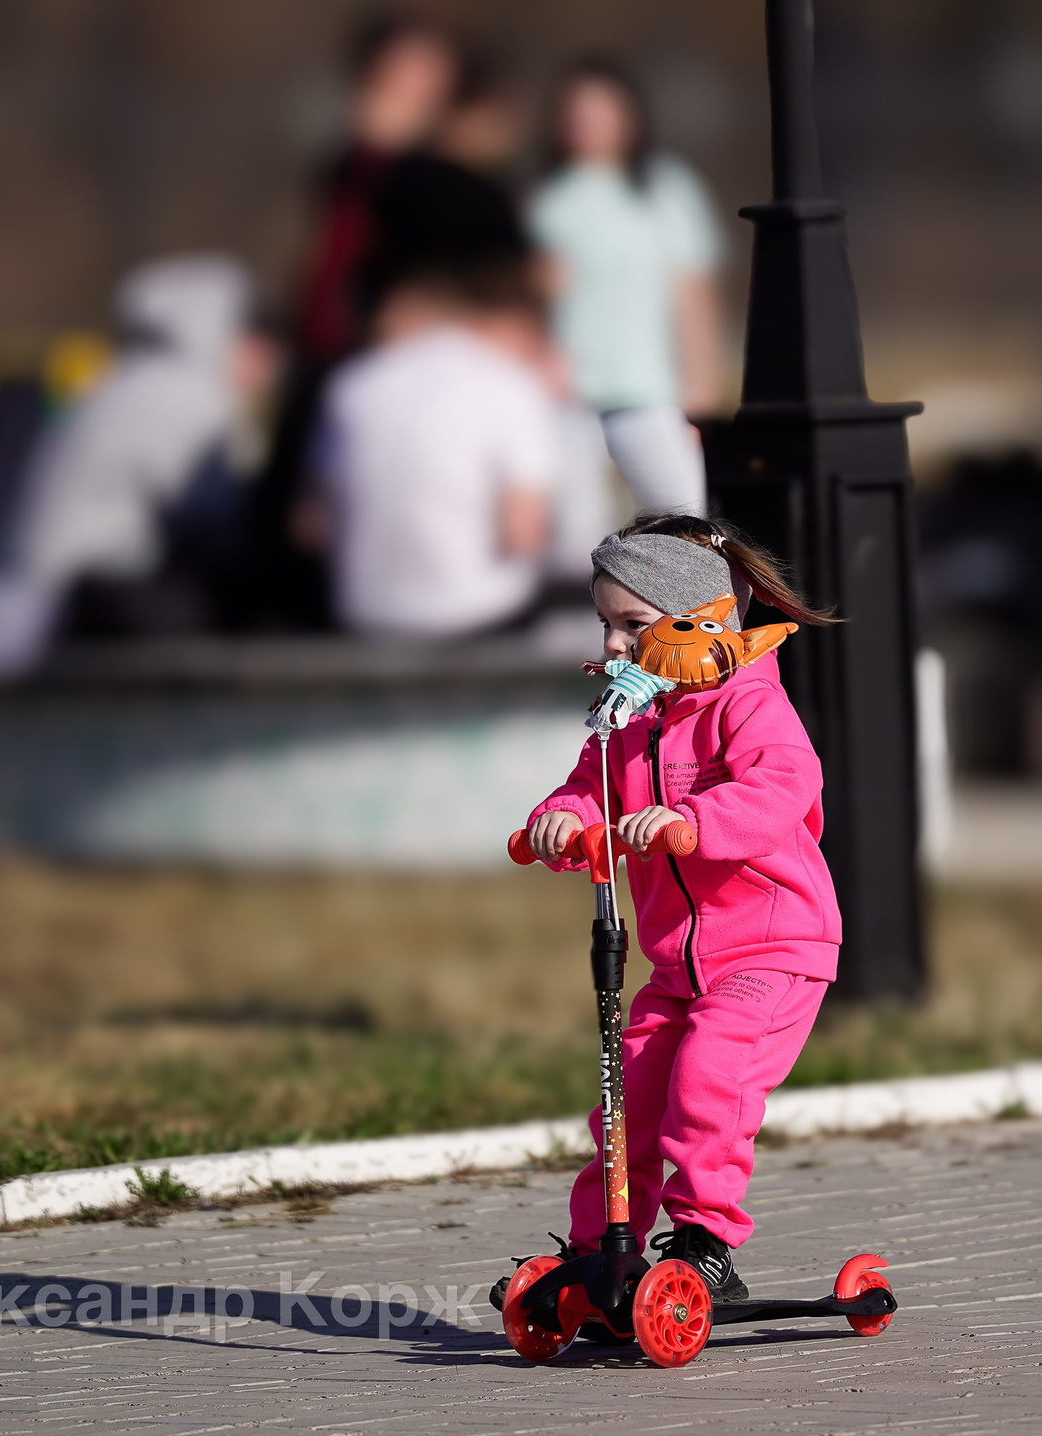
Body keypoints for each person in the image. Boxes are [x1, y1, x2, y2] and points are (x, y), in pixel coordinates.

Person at [516, 514, 840, 1304]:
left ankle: (706, 1244)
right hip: (677, 963)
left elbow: (779, 791)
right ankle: (602, 1251)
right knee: (626, 1097)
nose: (616, 645)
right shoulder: (628, 724)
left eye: (633, 624)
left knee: (711, 1074)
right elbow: (585, 789)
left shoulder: (750, 705)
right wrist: (559, 821)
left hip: (772, 946)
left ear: (700, 619)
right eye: (606, 625)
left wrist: (692, 824)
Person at [0, 255, 269, 673]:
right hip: (83, 604)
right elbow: (214, 529)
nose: (267, 361)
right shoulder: (190, 397)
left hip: (50, 596)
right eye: (256, 340)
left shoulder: (125, 381)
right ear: (220, 334)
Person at [246, 10, 463, 630]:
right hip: (327, 351)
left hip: (380, 359)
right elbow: (321, 259)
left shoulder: (425, 171)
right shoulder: (350, 162)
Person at [313, 255, 558, 639]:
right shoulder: (511, 384)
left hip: (365, 615)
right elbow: (523, 533)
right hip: (479, 617)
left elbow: (313, 526)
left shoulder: (351, 384)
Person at [529, 58, 724, 516]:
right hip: (569, 396)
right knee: (577, 532)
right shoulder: (547, 196)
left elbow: (693, 295)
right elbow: (535, 297)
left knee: (682, 516)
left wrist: (699, 393)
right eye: (576, 115)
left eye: (599, 114)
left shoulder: (666, 188)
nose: (586, 126)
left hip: (649, 392)